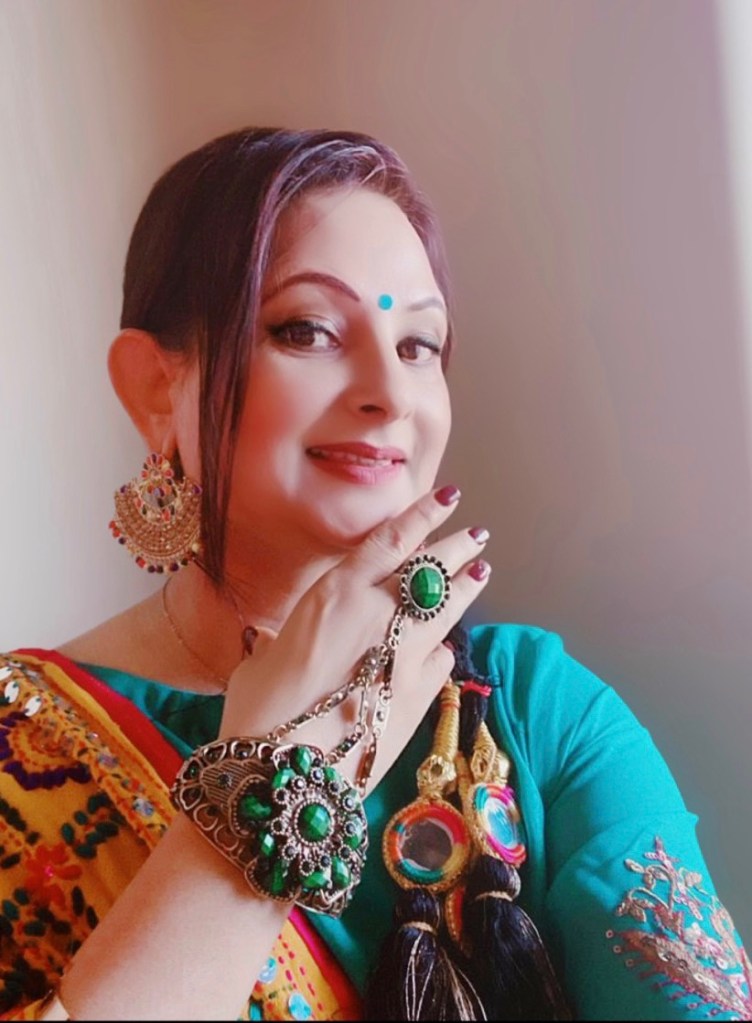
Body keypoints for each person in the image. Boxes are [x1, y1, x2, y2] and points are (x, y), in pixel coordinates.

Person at [0, 127, 748, 1023]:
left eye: (419, 345)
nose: (390, 395)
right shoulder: (20, 755)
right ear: (156, 386)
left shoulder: (535, 709)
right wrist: (263, 792)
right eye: (307, 329)